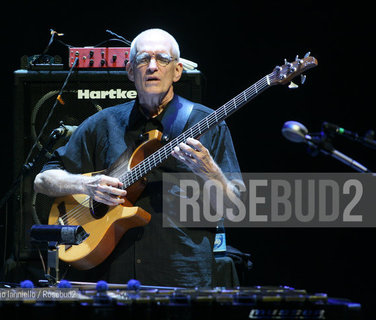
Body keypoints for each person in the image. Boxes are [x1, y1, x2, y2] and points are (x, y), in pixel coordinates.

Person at [33, 28, 242, 288]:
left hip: (182, 276)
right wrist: (85, 185)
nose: (152, 66)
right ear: (130, 71)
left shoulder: (208, 123)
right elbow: (43, 180)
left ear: (177, 71)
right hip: (109, 277)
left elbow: (235, 209)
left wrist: (210, 171)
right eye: (143, 59)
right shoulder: (102, 123)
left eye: (162, 59)